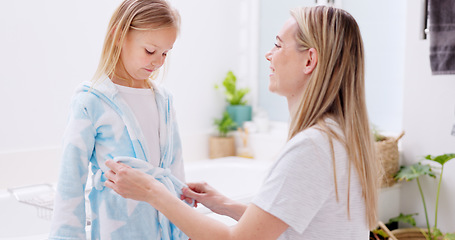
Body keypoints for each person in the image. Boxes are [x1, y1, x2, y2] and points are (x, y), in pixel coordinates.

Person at [104, 5, 380, 240]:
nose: (268, 55)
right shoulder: (336, 137)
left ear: (310, 60)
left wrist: (153, 192)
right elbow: (292, 225)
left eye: (278, 44)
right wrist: (224, 204)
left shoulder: (312, 149)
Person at [49, 0, 188, 239]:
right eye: (150, 51)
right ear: (119, 36)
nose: (159, 61)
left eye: (165, 53)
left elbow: (176, 169)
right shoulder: (92, 100)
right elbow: (70, 181)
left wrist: (185, 221)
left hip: (165, 228)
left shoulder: (164, 100)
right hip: (119, 230)